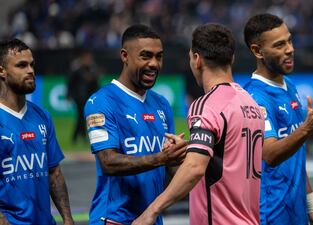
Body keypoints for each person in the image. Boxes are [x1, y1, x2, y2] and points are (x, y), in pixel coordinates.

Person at [132, 23, 264, 225]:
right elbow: (225, 162)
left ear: (196, 59)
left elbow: (195, 168)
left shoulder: (206, 105)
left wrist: (150, 212)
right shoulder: (251, 103)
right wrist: (184, 155)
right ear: (232, 58)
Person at [83, 24, 187, 225]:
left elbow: (169, 171)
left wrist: (177, 160)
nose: (154, 64)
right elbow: (108, 162)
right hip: (113, 219)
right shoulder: (101, 102)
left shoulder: (162, 104)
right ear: (124, 56)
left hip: (151, 219)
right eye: (145, 56)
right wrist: (160, 158)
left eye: (159, 56)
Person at [243, 14, 313, 225]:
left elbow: (296, 155)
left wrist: (310, 200)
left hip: (295, 210)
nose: (290, 49)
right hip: (271, 214)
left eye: (289, 40)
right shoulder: (255, 98)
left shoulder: (289, 86)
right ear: (257, 51)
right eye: (279, 45)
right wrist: (305, 129)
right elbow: (269, 154)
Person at [0, 39, 74, 224]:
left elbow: (54, 173)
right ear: (2, 71)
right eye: (21, 65)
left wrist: (67, 219)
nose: (30, 71)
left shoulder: (42, 116)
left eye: (32, 65)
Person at [67, 49, 100, 143]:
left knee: (83, 117)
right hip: (79, 98)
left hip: (89, 98)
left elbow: (96, 84)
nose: (89, 60)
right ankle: (78, 137)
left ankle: (78, 137)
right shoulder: (77, 70)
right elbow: (70, 83)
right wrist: (69, 94)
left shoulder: (92, 69)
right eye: (87, 58)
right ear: (82, 59)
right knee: (81, 117)